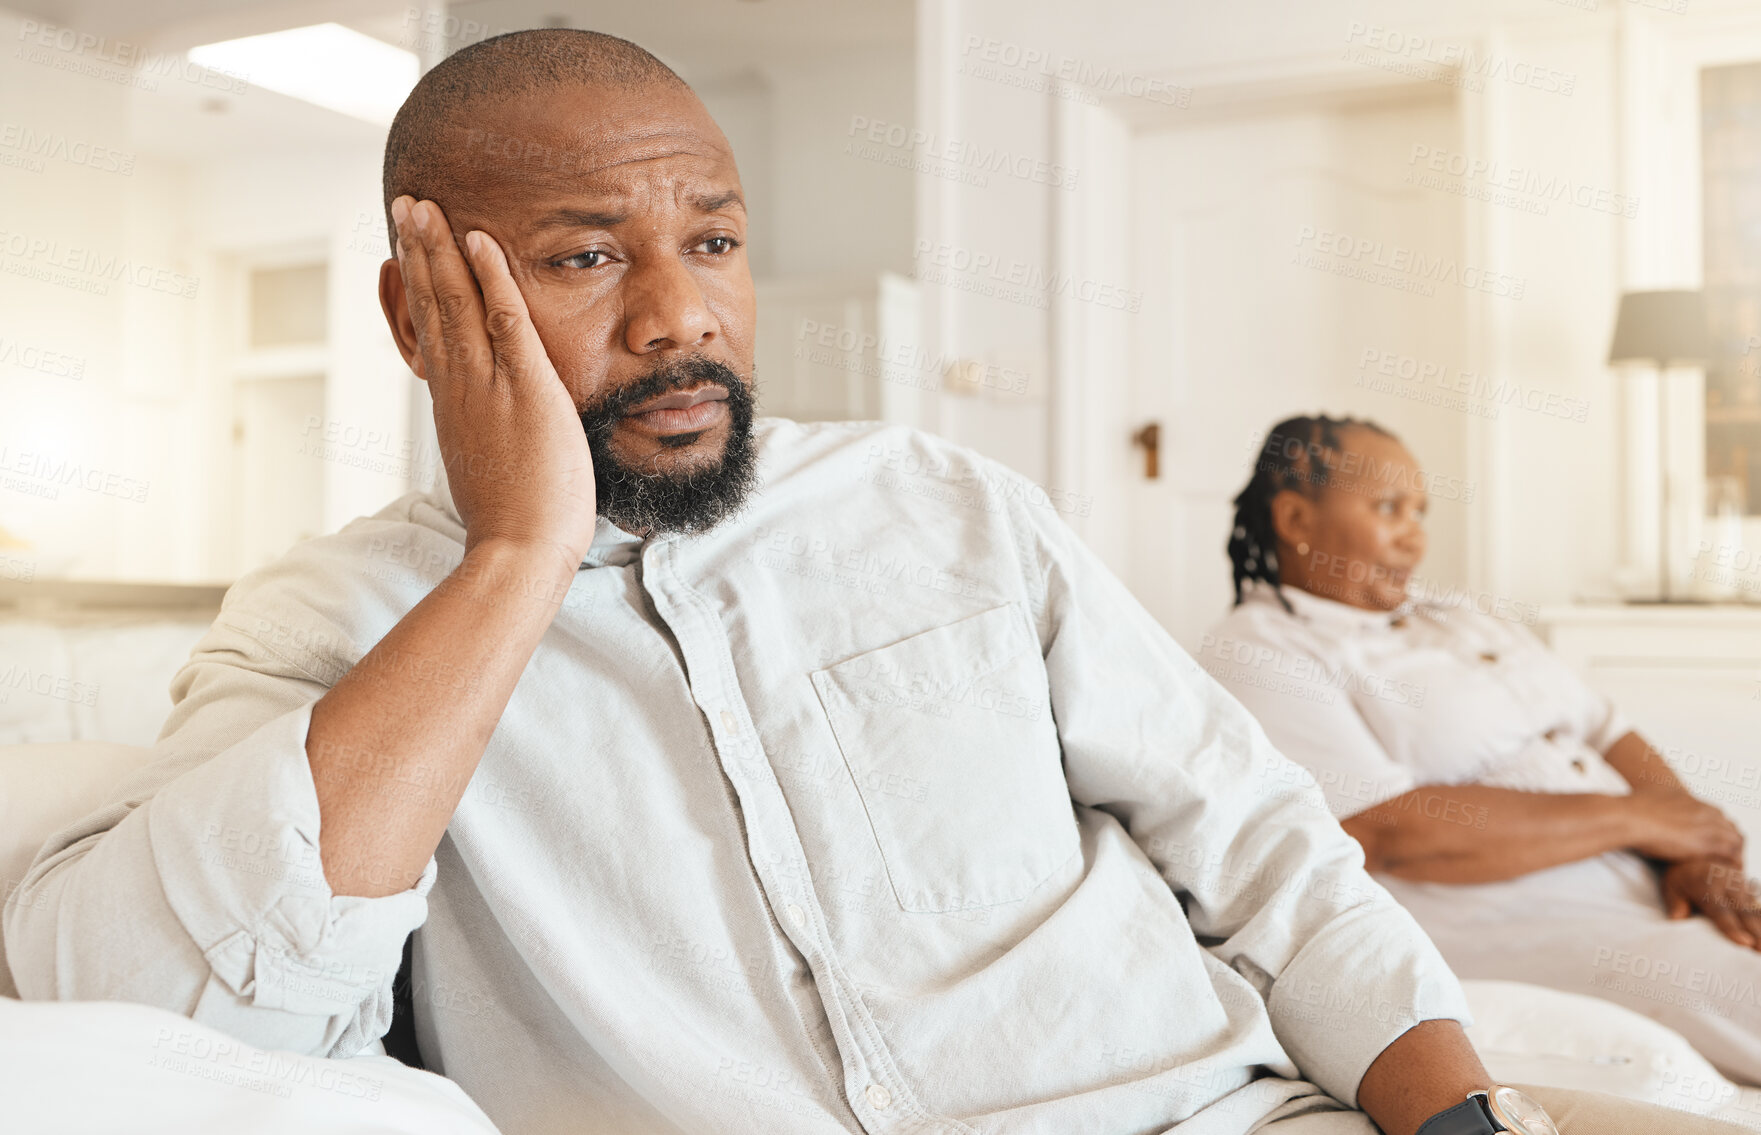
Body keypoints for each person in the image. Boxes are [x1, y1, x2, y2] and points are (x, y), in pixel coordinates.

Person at [3, 32, 1737, 1135]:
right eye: (588, 256)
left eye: (716, 240)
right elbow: (157, 1021)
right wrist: (517, 560)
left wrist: (1452, 1121)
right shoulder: (333, 625)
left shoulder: (944, 508)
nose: (681, 312)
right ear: (416, 312)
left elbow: (1263, 840)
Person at [1204, 412, 1761, 1088]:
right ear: (1295, 519)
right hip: (1525, 925)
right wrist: (1643, 821)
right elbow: (1388, 829)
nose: (1413, 535)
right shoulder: (1260, 647)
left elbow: (1608, 730)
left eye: (1419, 510)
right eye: (1386, 507)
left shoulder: (1458, 615)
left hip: (1649, 888)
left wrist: (1695, 856)